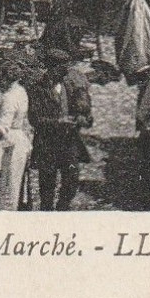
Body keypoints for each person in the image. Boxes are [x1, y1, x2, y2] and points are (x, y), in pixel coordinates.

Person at [28, 48, 92, 211]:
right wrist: (58, 122)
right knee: (47, 186)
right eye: (62, 68)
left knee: (72, 180)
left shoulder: (71, 85)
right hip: (47, 143)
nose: (65, 72)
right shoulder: (38, 88)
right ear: (51, 67)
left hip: (69, 141)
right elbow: (35, 119)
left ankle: (62, 208)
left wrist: (82, 119)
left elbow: (85, 113)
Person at [0, 60, 35, 211]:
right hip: (21, 137)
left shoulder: (9, 97)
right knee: (18, 183)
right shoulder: (21, 91)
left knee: (8, 184)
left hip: (11, 142)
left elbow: (3, 128)